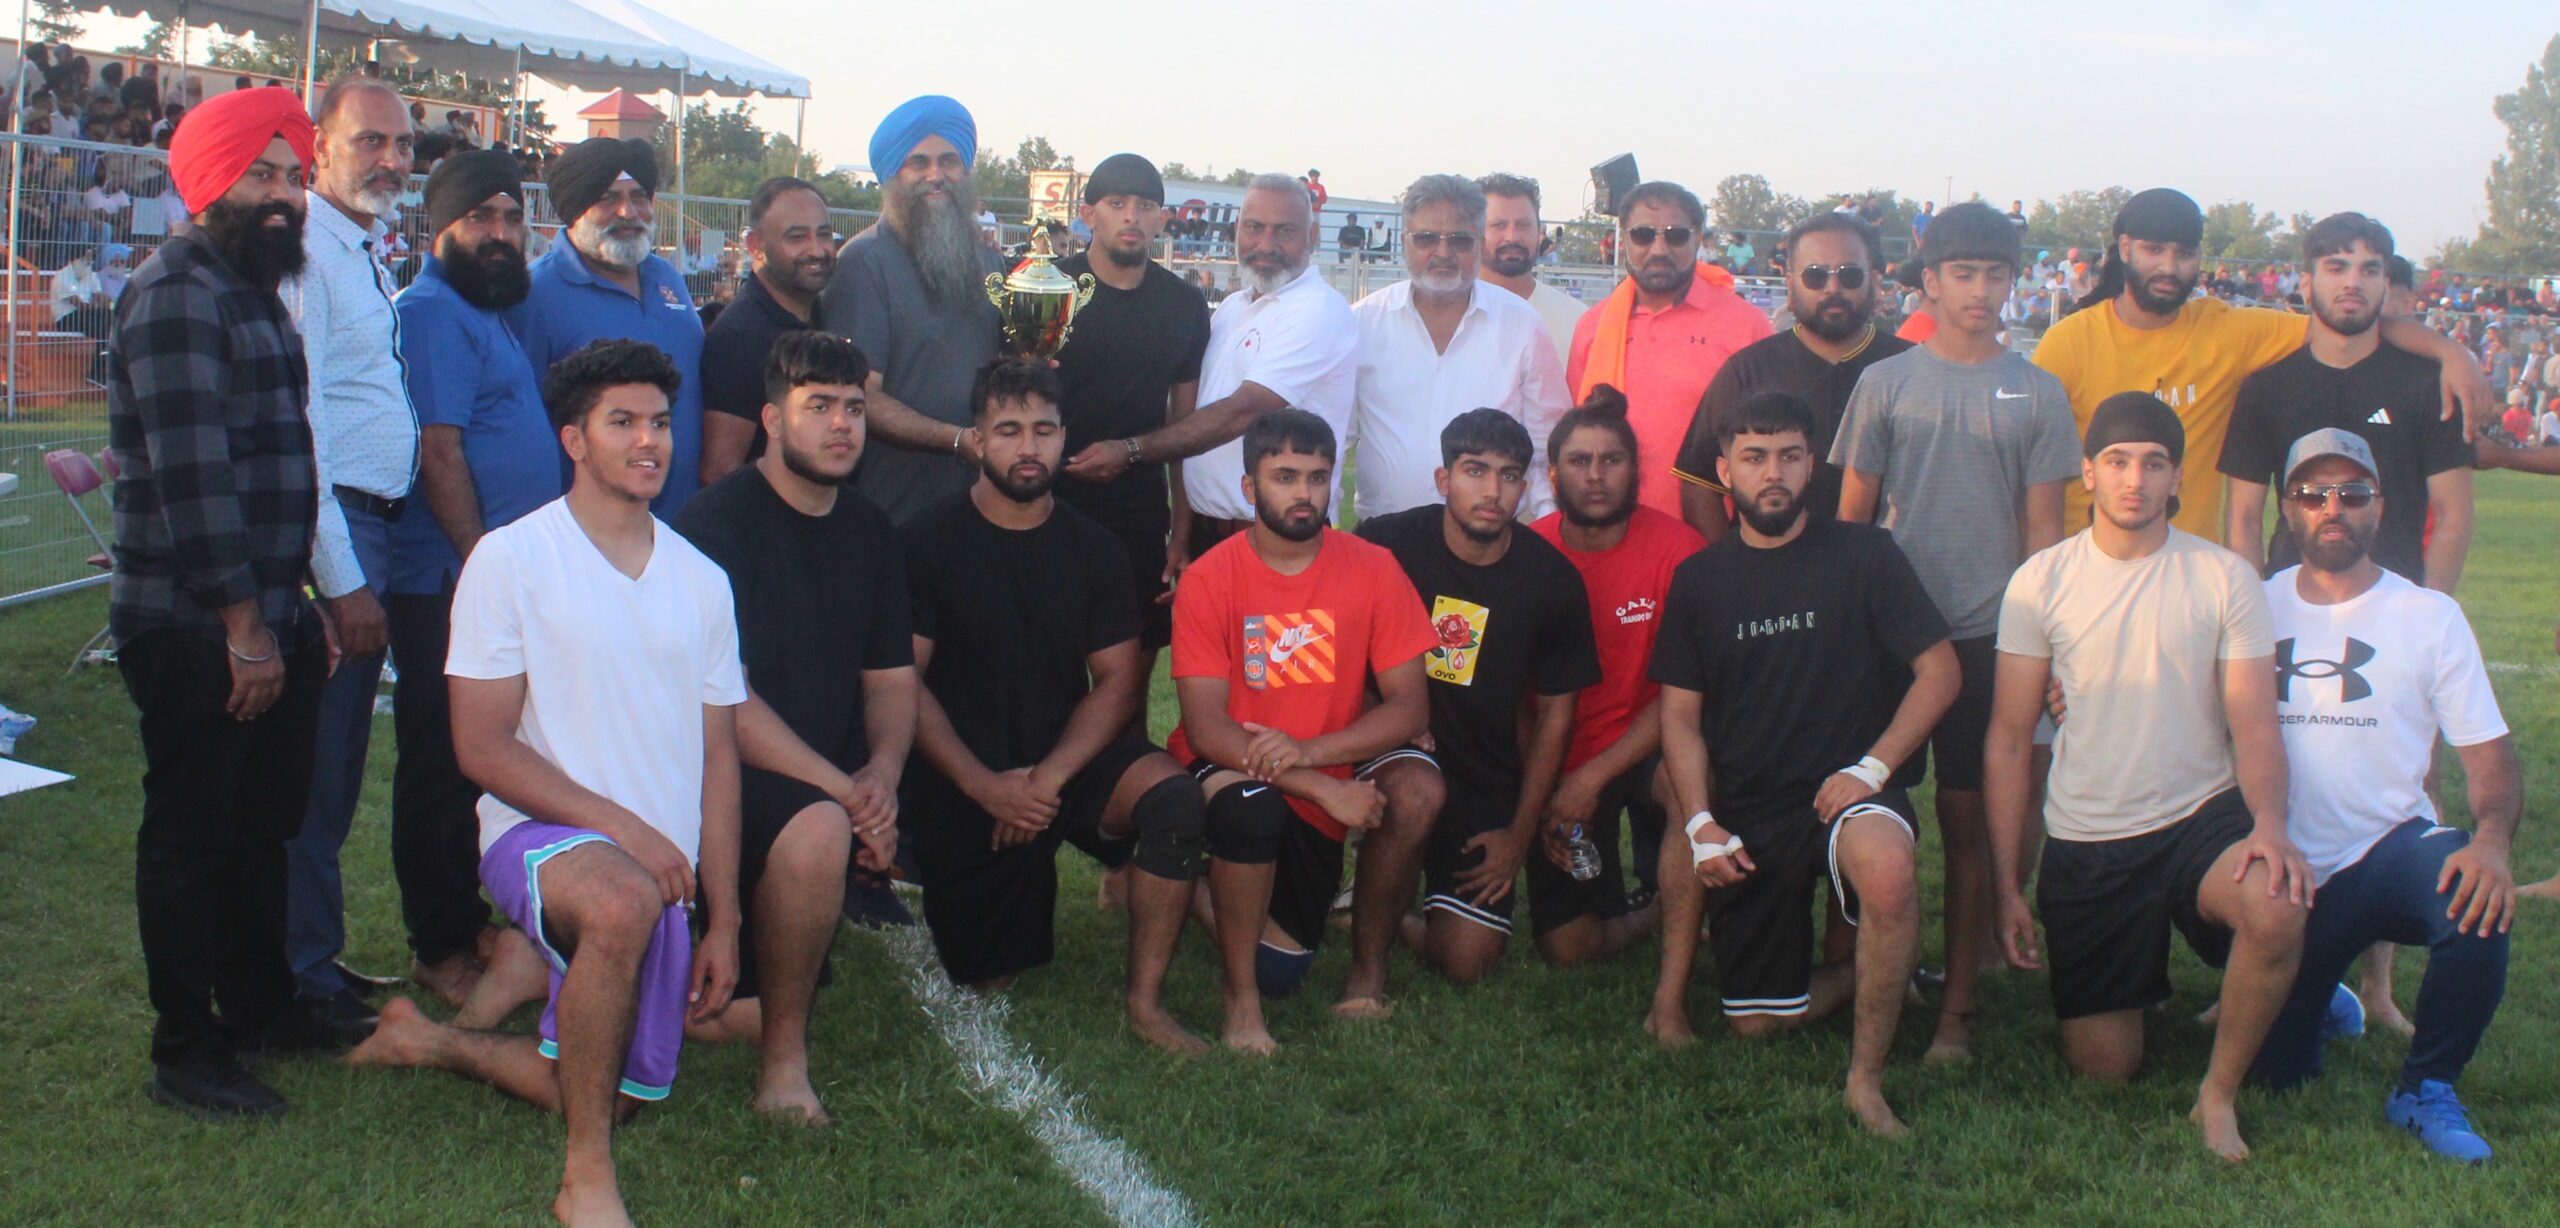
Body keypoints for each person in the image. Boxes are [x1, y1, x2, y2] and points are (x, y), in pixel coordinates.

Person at [348, 340, 747, 1226]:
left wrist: (724, 917)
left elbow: (720, 761)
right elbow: (482, 749)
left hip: (663, 869)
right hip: (539, 835)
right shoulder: (510, 559)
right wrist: (627, 833)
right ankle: (585, 1179)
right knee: (617, 899)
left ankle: (430, 1039)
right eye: (622, 422)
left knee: (623, 1090)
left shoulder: (703, 581)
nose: (648, 441)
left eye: (659, 423)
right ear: (573, 439)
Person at [106, 87, 367, 1119]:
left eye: (294, 176)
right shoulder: (178, 292)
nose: (282, 196)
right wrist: (246, 631)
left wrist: (299, 609)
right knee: (194, 835)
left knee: (263, 824)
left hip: (266, 611)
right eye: (260, 174)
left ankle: (260, 1009)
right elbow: (196, 479)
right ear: (209, 181)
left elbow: (279, 465)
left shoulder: (253, 286)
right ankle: (186, 1048)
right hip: (195, 622)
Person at [1986, 392, 2310, 1162]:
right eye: (2118, 462)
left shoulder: (2224, 576)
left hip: (2199, 817)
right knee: (2105, 1069)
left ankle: (2216, 1095)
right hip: (2090, 838)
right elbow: (2007, 738)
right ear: (2088, 473)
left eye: (2154, 464)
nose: (2135, 480)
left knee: (2275, 906)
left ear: (2177, 478)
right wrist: (2007, 884)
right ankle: (2140, 978)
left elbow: (2254, 723)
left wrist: (2269, 826)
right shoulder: (2041, 581)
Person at [1643, 390, 1957, 1139]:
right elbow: (1679, 718)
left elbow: (1941, 671)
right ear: (1725, 471)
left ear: (1812, 464)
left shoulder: (1866, 556)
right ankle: (1863, 973)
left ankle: (1865, 1081)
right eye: (1754, 458)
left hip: (1846, 794)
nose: (1773, 473)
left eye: (1789, 456)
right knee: (1757, 1024)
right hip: (1752, 809)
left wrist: (1873, 769)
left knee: (1887, 867)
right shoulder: (1701, 580)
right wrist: (1702, 824)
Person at [1829, 202, 2080, 1063]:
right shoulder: (1886, 381)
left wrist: (2047, 646)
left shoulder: (2038, 391)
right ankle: (1855, 973)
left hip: (1990, 638)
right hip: (1891, 638)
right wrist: (1845, 627)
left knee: (1970, 822)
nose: (1980, 290)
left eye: (1996, 273)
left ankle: (1958, 1011)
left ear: (2015, 281)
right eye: (1962, 273)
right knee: (1868, 805)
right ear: (1929, 281)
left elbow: (2044, 537)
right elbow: (1853, 520)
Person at [903, 358, 1211, 1052]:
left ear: (1064, 438)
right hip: (966, 772)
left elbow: (1119, 680)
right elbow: (903, 686)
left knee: (1174, 800)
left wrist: (1047, 779)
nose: (1028, 447)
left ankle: (1146, 1002)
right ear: (977, 440)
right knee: (990, 973)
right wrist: (985, 786)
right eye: (1008, 430)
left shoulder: (1093, 547)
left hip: (1065, 761)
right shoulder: (925, 542)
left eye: (1043, 431)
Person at [2244, 429, 2519, 1163]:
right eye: (2312, 494)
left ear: (2380, 506)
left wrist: (2491, 841)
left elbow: (2489, 757)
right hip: (2280, 875)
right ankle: (2324, 998)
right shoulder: (2252, 608)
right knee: (2275, 1076)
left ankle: (2426, 1087)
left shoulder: (2429, 615)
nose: (2332, 508)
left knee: (2472, 894)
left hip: (2386, 855)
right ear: (2287, 508)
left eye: (2352, 493)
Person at [665, 329, 914, 1120]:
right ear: (772, 420)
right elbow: (725, 703)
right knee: (817, 827)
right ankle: (784, 1066)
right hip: (709, 780)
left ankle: (710, 988)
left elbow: (891, 677)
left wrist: (882, 776)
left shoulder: (870, 529)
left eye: (854, 409)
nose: (842, 425)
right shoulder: (715, 525)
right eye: (819, 407)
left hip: (817, 779)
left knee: (726, 1003)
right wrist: (845, 792)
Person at [1170, 409, 1440, 1051]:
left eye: (1318, 478)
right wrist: (1319, 786)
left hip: (1322, 759)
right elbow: (1206, 728)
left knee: (1284, 970)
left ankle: (1364, 974)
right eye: (1285, 476)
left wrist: (1312, 755)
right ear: (1249, 487)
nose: (1304, 493)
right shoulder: (1209, 577)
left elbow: (1410, 709)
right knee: (1252, 805)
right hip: (1234, 767)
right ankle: (1240, 1006)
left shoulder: (1373, 567)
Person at [2034, 188, 2492, 538]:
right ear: (2125, 248)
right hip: (2088, 563)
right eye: (2155, 250)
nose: (2169, 267)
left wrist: (2451, 353)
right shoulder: (2069, 343)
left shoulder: (2228, 331)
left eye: (2184, 254)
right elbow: (2038, 478)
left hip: (2186, 576)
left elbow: (2343, 324)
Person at [384, 150, 560, 1008]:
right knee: (440, 762)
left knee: (486, 759)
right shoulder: (431, 313)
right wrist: (481, 566)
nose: (500, 233)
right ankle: (441, 944)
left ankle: (471, 916)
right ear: (439, 227)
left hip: (490, 579)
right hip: (447, 582)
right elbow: (439, 450)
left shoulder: (483, 310)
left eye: (511, 217)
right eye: (480, 217)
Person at [275, 75, 419, 1031]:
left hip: (374, 524)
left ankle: (311, 954)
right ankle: (300, 977)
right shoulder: (306, 255)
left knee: (336, 762)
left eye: (403, 145)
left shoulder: (354, 247)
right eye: (371, 140)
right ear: (319, 146)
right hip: (341, 531)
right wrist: (343, 580)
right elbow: (306, 431)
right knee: (318, 766)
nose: (393, 160)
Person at [1360, 410, 1601, 978]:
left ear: (1526, 485)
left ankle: (1382, 906)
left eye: (1509, 475)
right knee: (1413, 792)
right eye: (1475, 471)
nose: (1492, 491)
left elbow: (1556, 717)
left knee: (1466, 960)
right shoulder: (1384, 545)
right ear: (1444, 479)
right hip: (1385, 751)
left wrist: (1518, 835)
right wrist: (1380, 717)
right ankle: (1366, 958)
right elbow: (1335, 640)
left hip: (1482, 774)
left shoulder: (1552, 581)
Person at [2220, 214, 2473, 594]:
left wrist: (2428, 610)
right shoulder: (2266, 388)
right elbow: (2243, 518)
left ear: (2385, 284)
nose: (2353, 282)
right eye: (2336, 268)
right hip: (2292, 601)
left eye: (2369, 270)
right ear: (2307, 283)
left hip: (2395, 600)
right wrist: (2254, 610)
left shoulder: (2428, 385)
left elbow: (2454, 515)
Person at [1529, 386, 1702, 939]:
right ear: (1552, 476)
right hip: (1562, 753)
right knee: (1569, 947)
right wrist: (1542, 792)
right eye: (1579, 461)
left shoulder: (1681, 553)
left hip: (1652, 742)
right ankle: (1652, 916)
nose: (1596, 476)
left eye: (1612, 460)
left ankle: (1691, 907)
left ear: (1636, 471)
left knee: (1691, 788)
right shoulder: (1526, 555)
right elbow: (1514, 698)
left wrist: (1593, 777)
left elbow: (1684, 693)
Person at [1048, 153, 1211, 681]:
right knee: (1050, 675)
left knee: (1128, 681)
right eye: (1116, 203)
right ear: (1087, 214)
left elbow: (1183, 428)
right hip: (1049, 503)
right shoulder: (1046, 288)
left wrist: (1181, 531)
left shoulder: (1183, 305)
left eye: (1144, 206)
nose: (1130, 217)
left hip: (1137, 513)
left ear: (1162, 219)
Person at [1130, 175, 1354, 551]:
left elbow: (1244, 411)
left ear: (1312, 236)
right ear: (1237, 230)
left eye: (1284, 230)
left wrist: (1131, 451)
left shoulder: (1318, 310)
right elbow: (1191, 412)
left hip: (1278, 537)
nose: (1265, 244)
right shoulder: (1234, 307)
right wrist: (1183, 528)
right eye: (1254, 227)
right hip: (1208, 530)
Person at [816, 95, 1005, 525]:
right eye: (918, 163)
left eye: (949, 161)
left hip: (979, 505)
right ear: (892, 175)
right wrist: (957, 440)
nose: (936, 175)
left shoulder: (988, 260)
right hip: (892, 509)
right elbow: (860, 395)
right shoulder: (863, 263)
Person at [1672, 212, 1912, 541]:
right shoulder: (1747, 370)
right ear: (1790, 283)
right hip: (1767, 566)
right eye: (1815, 276)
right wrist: (1731, 562)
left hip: (1888, 568)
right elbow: (1699, 482)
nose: (1832, 288)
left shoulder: (1910, 367)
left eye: (1849, 275)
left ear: (1874, 280)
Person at [1348, 173, 1570, 522]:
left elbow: (1547, 451)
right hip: (1382, 538)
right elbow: (1333, 440)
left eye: (1460, 240)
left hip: (1488, 540)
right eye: (1426, 238)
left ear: (1479, 243)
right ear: (1404, 242)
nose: (1443, 253)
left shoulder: (1522, 326)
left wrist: (1549, 528)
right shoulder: (1361, 324)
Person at [512, 136, 706, 516]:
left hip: (679, 525)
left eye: (639, 197)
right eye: (607, 198)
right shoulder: (536, 293)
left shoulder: (666, 277)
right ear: (574, 209)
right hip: (588, 531)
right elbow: (524, 426)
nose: (627, 212)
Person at [1569, 180, 1773, 521]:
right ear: (1623, 240)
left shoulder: (1746, 325)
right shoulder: (1594, 326)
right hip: (1610, 531)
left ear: (1698, 238)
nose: (1659, 249)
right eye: (1643, 235)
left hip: (1711, 532)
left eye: (1676, 235)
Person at [698, 177, 836, 484]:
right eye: (796, 237)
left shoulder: (827, 315)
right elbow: (720, 471)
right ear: (755, 246)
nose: (816, 250)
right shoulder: (740, 337)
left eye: (824, 234)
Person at [1476, 172, 1584, 366]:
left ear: (1538, 231)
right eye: (1498, 225)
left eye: (1523, 225)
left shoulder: (1577, 322)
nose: (1512, 237)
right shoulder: (1448, 319)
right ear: (1475, 231)